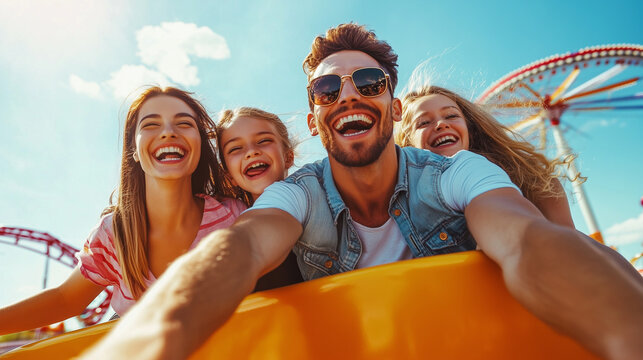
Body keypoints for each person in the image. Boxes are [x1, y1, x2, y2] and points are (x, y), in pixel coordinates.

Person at [84, 24, 643, 360]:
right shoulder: (299, 194)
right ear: (313, 120)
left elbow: (526, 239)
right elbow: (241, 248)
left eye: (368, 84)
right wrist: (148, 343)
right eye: (328, 89)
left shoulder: (452, 173)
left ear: (393, 108)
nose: (348, 96)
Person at [0, 86, 247, 334]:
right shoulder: (114, 233)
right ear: (134, 151)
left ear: (201, 145)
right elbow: (66, 299)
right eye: (151, 124)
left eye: (184, 123)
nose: (168, 133)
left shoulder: (236, 217)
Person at [395, 85, 575, 228]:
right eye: (424, 122)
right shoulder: (401, 202)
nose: (441, 124)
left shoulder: (536, 184)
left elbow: (571, 245)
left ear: (470, 130)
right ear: (408, 145)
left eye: (451, 115)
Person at [215, 107, 302, 291]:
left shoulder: (312, 196)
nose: (251, 152)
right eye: (236, 148)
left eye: (263, 141)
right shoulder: (233, 222)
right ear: (229, 176)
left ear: (288, 156)